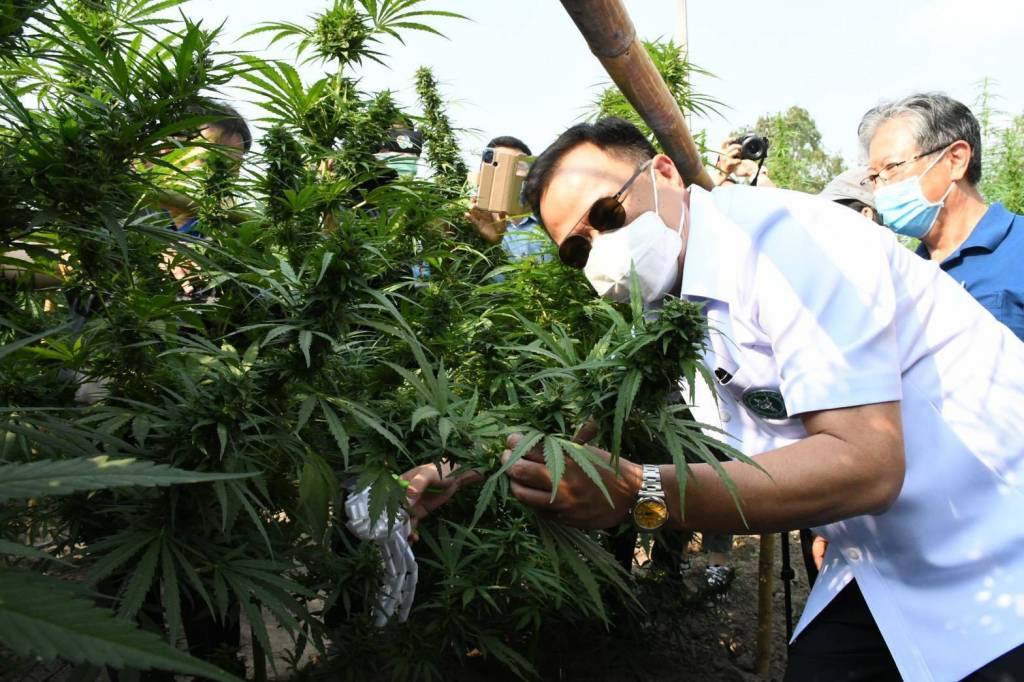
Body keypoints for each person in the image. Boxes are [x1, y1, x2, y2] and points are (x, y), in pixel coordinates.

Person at [404, 117, 1024, 681]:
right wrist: (460, 468)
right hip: (887, 556)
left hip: (995, 542)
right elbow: (586, 419)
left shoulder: (790, 244)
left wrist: (640, 492)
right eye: (578, 248)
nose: (600, 249)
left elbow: (866, 464)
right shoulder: (669, 302)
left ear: (665, 172)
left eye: (608, 215)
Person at [859, 92, 1024, 341]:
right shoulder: (903, 275)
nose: (880, 189)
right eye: (873, 177)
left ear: (956, 160)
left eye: (891, 167)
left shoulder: (1018, 248)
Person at [465, 135, 547, 261]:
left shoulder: (550, 222)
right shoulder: (471, 223)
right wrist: (492, 244)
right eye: (499, 165)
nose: (507, 176)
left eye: (517, 166)